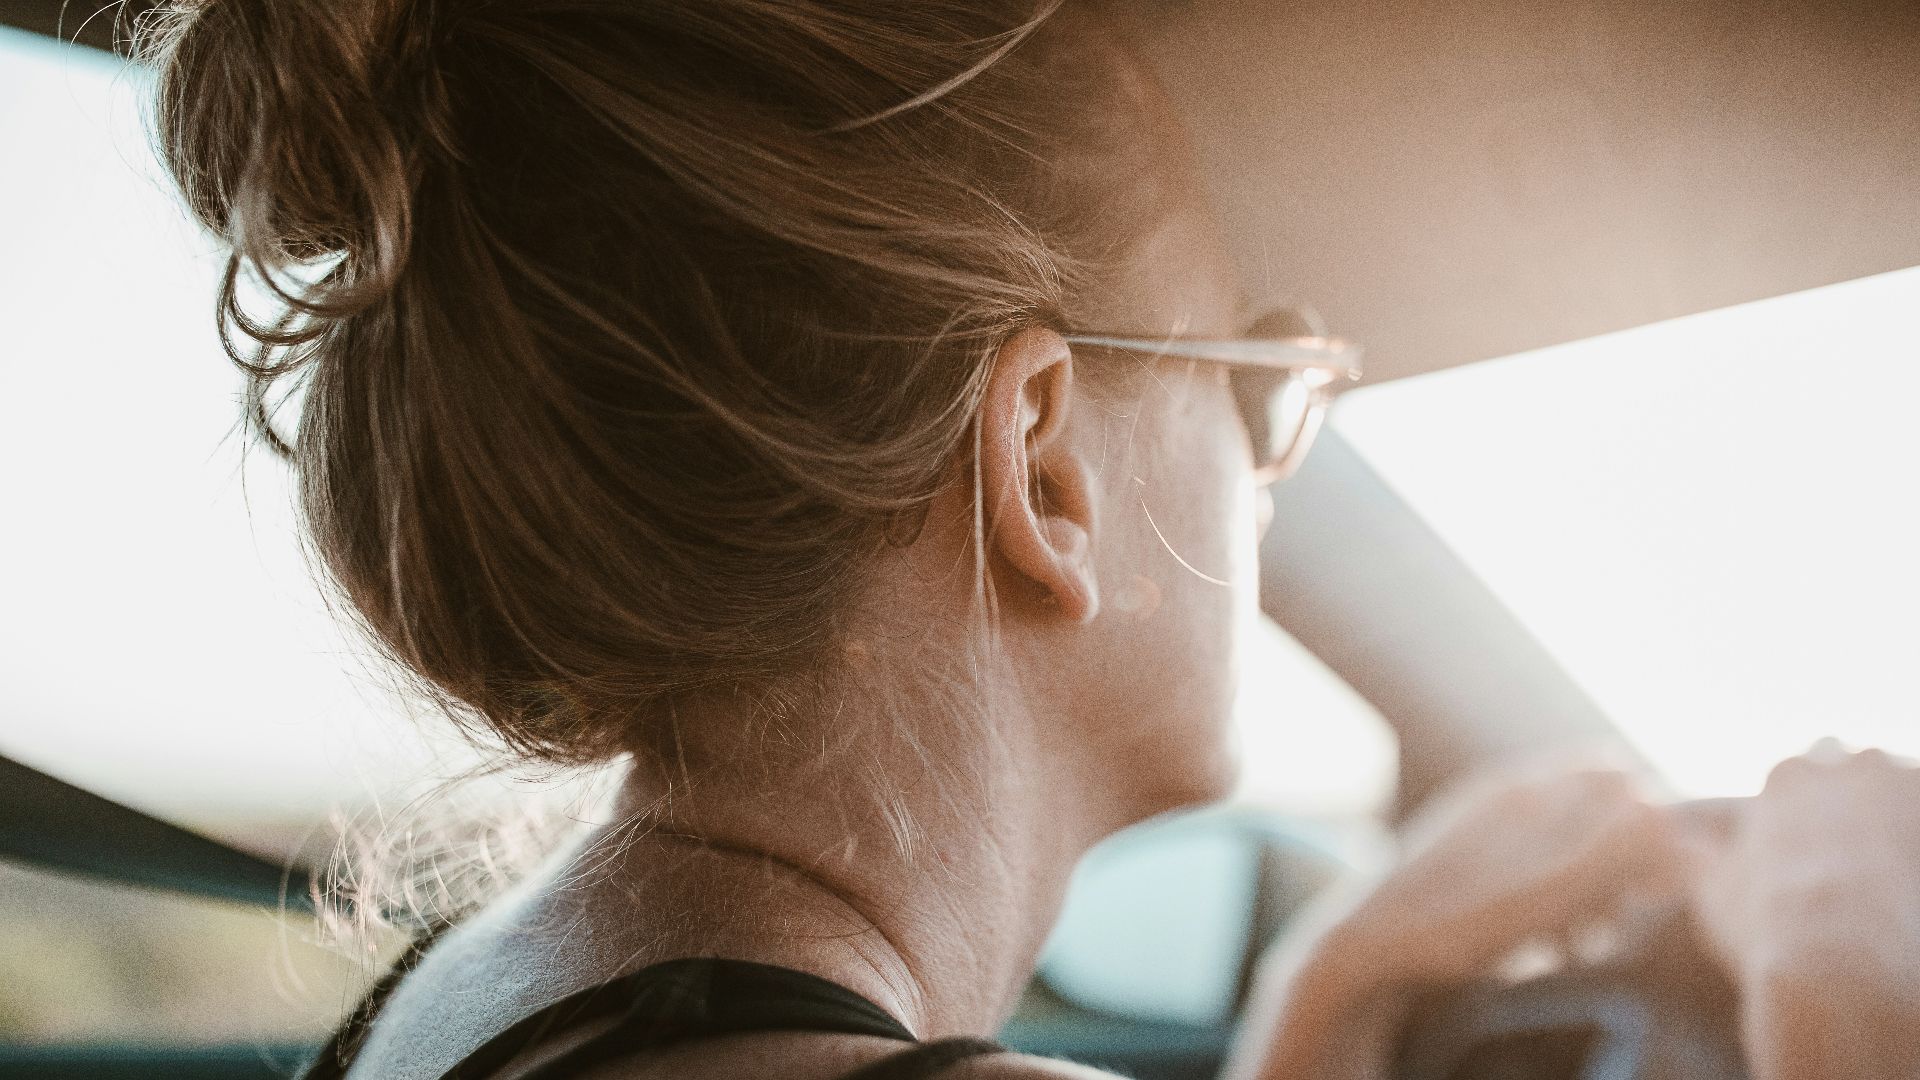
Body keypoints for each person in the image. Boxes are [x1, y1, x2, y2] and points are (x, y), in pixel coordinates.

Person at [140, 1, 1920, 1077]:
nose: (1272, 463)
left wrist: (1329, 998)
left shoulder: (475, 1005)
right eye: (1263, 373)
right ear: (1046, 468)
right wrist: (1851, 1019)